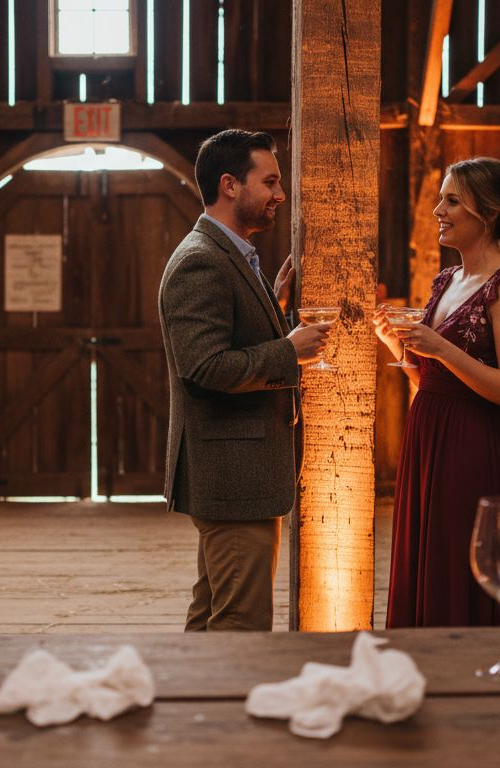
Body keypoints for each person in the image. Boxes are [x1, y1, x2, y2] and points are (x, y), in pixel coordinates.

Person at [158, 129, 331, 631]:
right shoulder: (201, 261)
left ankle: (193, 706)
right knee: (241, 625)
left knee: (213, 613)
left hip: (239, 472)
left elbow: (229, 335)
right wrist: (288, 350)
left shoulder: (229, 254)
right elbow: (205, 368)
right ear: (231, 185)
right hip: (234, 474)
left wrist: (272, 307)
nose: (280, 194)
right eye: (271, 181)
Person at [374, 157, 500, 628]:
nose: (437, 211)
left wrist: (441, 348)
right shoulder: (447, 280)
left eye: (451, 201)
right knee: (427, 558)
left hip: (472, 446)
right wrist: (395, 342)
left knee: (460, 562)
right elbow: (432, 380)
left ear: (486, 213)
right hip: (427, 438)